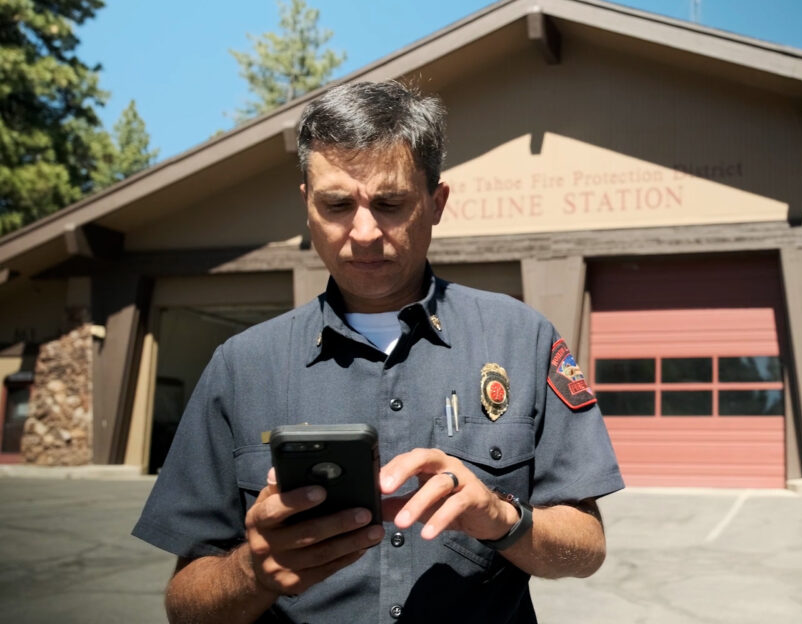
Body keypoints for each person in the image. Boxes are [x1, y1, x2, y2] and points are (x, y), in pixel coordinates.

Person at [132, 81, 625, 623]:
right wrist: (253, 571)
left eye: (390, 203)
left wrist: (502, 518)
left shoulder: (522, 338)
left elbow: (587, 545)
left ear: (436, 204)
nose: (363, 233)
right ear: (307, 206)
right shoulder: (241, 366)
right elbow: (186, 605)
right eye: (337, 204)